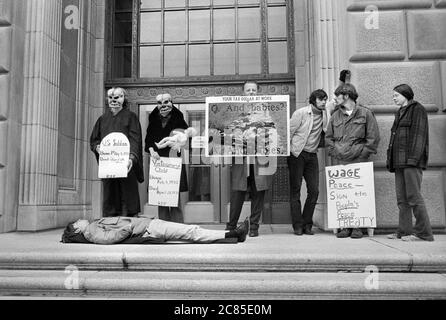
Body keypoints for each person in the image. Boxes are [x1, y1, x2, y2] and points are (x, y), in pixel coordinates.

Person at [325, 83, 380, 239]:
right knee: (343, 195)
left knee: (358, 194)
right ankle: (345, 226)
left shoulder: (366, 113)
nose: (334, 99)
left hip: (359, 160)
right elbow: (328, 137)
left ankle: (357, 227)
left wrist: (362, 154)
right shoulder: (336, 115)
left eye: (337, 96)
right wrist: (334, 152)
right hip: (340, 161)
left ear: (346, 96)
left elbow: (373, 138)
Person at [225, 81, 275, 237]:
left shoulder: (265, 108)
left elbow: (271, 128)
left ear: (257, 92)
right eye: (248, 90)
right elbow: (228, 128)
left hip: (260, 156)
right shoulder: (236, 109)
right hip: (241, 156)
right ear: (243, 93)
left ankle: (254, 227)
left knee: (258, 190)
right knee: (237, 191)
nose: (251, 92)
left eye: (254, 90)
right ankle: (231, 225)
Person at [386, 84, 434, 242]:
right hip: (399, 162)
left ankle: (423, 233)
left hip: (411, 162)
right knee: (402, 199)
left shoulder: (417, 109)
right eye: (393, 95)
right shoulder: (399, 112)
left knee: (414, 197)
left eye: (396, 95)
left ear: (405, 95)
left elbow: (419, 136)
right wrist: (391, 160)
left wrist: (413, 160)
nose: (394, 98)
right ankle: (404, 231)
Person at [90, 87, 144, 217]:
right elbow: (94, 139)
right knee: (110, 195)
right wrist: (97, 147)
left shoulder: (131, 117)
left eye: (118, 97)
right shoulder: (102, 119)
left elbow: (135, 139)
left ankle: (129, 225)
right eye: (110, 97)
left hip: (125, 164)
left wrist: (132, 157)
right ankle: (110, 225)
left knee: (127, 194)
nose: (113, 100)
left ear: (124, 99)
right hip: (109, 165)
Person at [145, 93, 195, 223]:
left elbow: (188, 139)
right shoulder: (153, 120)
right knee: (160, 197)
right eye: (160, 103)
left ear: (171, 103)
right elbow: (149, 140)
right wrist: (151, 150)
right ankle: (163, 227)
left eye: (166, 102)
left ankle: (177, 227)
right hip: (158, 162)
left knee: (174, 196)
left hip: (173, 161)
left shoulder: (179, 119)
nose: (163, 106)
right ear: (157, 106)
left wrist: (179, 144)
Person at [288, 89, 329, 236]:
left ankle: (307, 224)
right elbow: (288, 132)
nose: (324, 102)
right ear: (313, 100)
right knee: (296, 190)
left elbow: (341, 101)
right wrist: (289, 152)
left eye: (325, 99)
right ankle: (297, 226)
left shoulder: (326, 113)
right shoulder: (301, 113)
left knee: (314, 191)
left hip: (312, 155)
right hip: (297, 154)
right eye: (321, 99)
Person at [62, 216, 249, 244]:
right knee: (191, 231)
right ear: (77, 228)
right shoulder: (91, 231)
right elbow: (109, 238)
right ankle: (233, 234)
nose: (80, 219)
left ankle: (233, 235)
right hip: (149, 228)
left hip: (148, 225)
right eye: (77, 221)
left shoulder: (93, 226)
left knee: (190, 231)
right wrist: (130, 226)